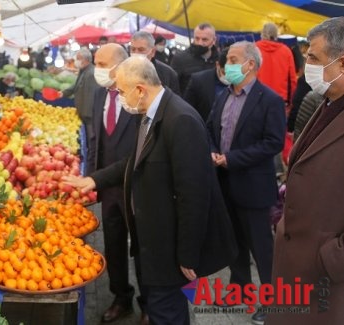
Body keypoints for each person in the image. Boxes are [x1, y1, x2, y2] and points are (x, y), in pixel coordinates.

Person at [64, 56, 237, 325]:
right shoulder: (149, 114)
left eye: (121, 91)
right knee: (161, 308)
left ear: (140, 89)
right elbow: (132, 161)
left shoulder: (180, 120)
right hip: (153, 240)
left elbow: (195, 193)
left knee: (166, 309)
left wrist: (188, 255)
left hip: (170, 246)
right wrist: (94, 180)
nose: (119, 97)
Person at [206, 41, 286, 325]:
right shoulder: (222, 96)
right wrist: (213, 150)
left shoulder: (270, 100)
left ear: (249, 64)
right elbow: (210, 128)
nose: (226, 64)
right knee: (234, 243)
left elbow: (273, 143)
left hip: (253, 187)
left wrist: (232, 159)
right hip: (225, 184)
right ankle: (239, 289)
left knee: (262, 249)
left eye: (232, 59)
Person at [270, 17, 344, 324]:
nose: (306, 66)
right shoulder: (326, 102)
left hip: (325, 277)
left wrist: (332, 260)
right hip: (295, 265)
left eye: (313, 58)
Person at [85, 43, 140, 323]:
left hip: (137, 185)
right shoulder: (98, 95)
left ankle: (151, 303)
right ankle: (121, 297)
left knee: (142, 246)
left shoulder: (138, 95)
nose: (98, 70)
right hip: (107, 187)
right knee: (113, 243)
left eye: (103, 64)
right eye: (96, 63)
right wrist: (90, 179)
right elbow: (95, 141)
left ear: (121, 65)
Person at [58, 48, 99, 169]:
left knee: (92, 140)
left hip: (89, 115)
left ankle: (92, 165)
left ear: (85, 60)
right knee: (89, 139)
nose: (75, 61)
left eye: (78, 58)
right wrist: (64, 93)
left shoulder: (91, 74)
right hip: (84, 113)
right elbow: (76, 86)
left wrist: (88, 114)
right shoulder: (83, 71)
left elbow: (92, 97)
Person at [171, 22, 219, 94]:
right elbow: (172, 87)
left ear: (214, 40)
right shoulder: (180, 58)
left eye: (204, 39)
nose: (200, 43)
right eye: (197, 38)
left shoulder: (219, 60)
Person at [256, 22, 298, 105]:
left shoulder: (254, 49)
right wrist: (289, 102)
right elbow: (292, 80)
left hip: (257, 100)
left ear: (262, 34)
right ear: (276, 35)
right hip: (280, 101)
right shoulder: (286, 51)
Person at [183, 48, 230, 121]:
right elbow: (186, 110)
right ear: (217, 65)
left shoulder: (241, 80)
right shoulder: (199, 80)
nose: (228, 77)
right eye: (224, 73)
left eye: (231, 74)